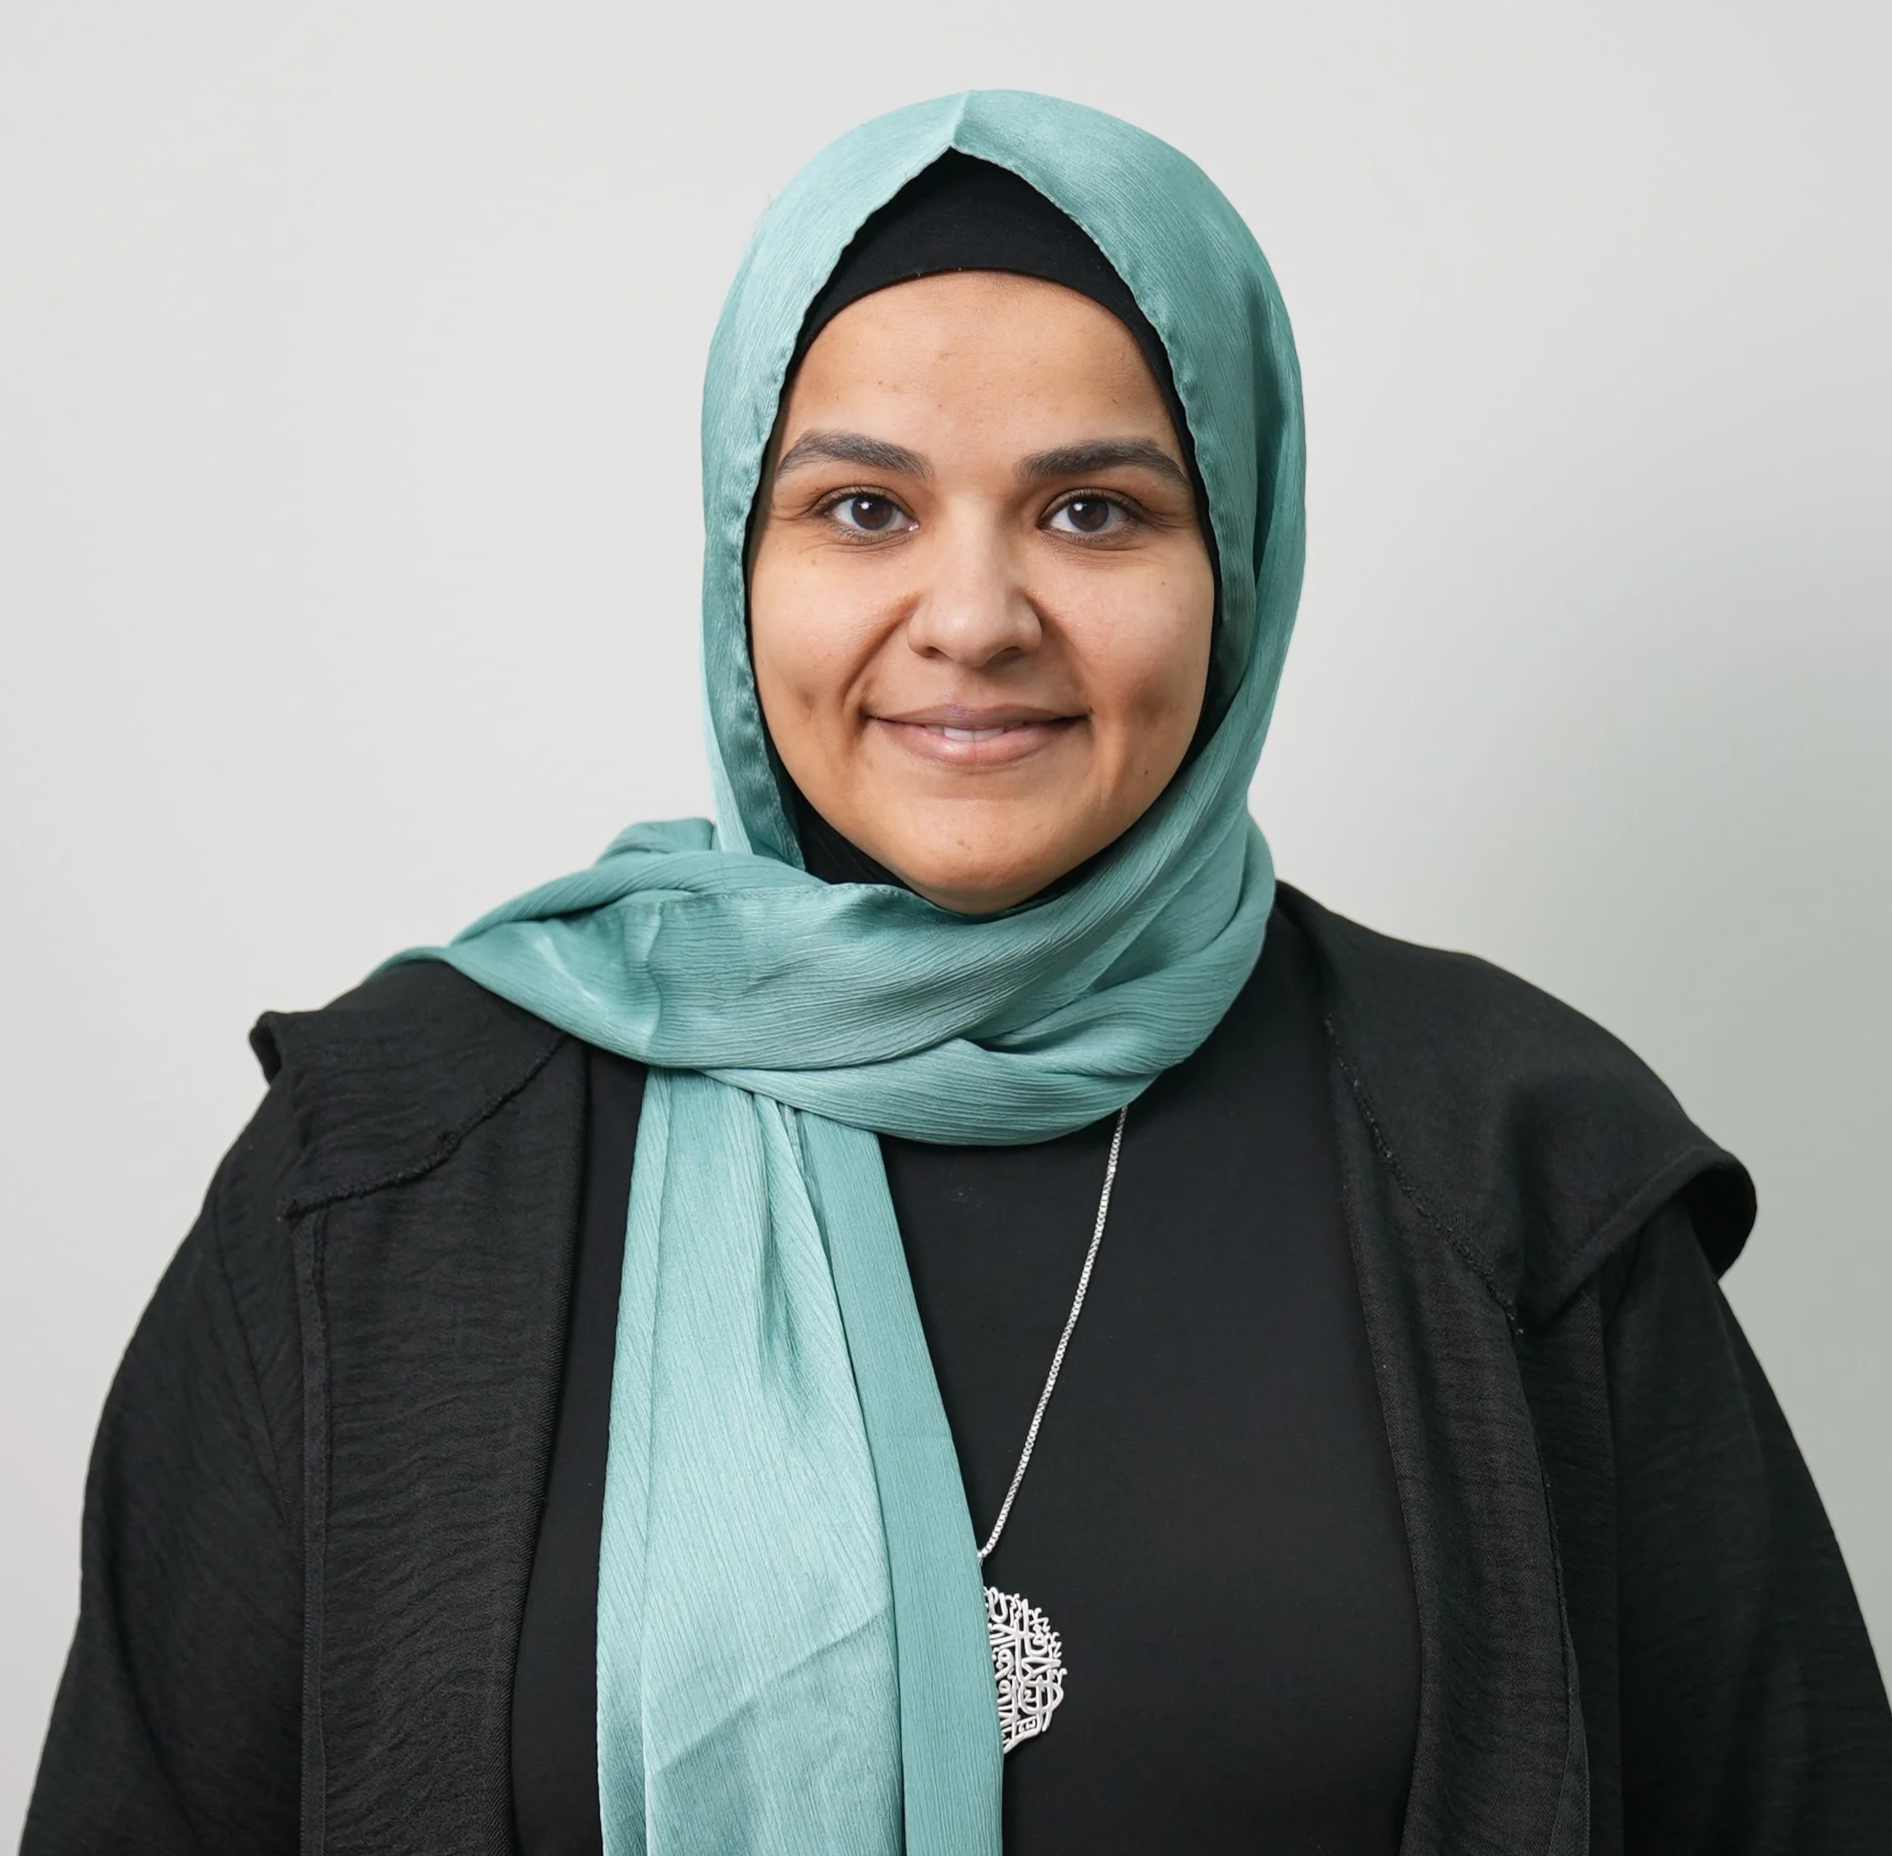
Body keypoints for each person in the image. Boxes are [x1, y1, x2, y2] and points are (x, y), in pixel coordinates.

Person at [24, 91, 1891, 1856]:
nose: (976, 617)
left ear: (1238, 565)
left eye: (1095, 511)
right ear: (739, 567)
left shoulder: (1517, 1164)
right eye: (863, 508)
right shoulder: (391, 1164)